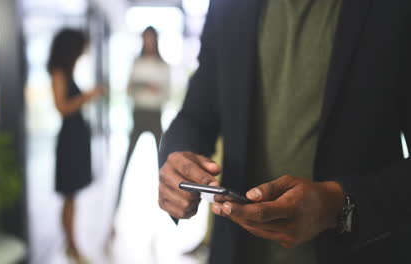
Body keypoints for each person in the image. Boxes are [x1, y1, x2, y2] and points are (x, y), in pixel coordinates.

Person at [158, 1, 411, 264]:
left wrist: (341, 203)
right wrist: (176, 162)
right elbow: (195, 116)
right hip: (235, 252)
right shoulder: (229, 6)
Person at [47, 28, 105, 264]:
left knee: (72, 197)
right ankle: (72, 246)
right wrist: (89, 96)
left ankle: (71, 245)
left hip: (76, 138)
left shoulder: (68, 71)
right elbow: (62, 107)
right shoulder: (59, 72)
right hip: (69, 140)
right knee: (69, 196)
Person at [117, 26, 170, 206]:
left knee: (161, 161)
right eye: (145, 38)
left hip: (155, 115)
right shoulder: (136, 63)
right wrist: (145, 87)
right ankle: (117, 203)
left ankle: (166, 202)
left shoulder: (162, 65)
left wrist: (145, 87)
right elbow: (130, 89)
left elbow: (165, 94)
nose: (148, 42)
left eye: (151, 38)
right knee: (127, 158)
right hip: (138, 114)